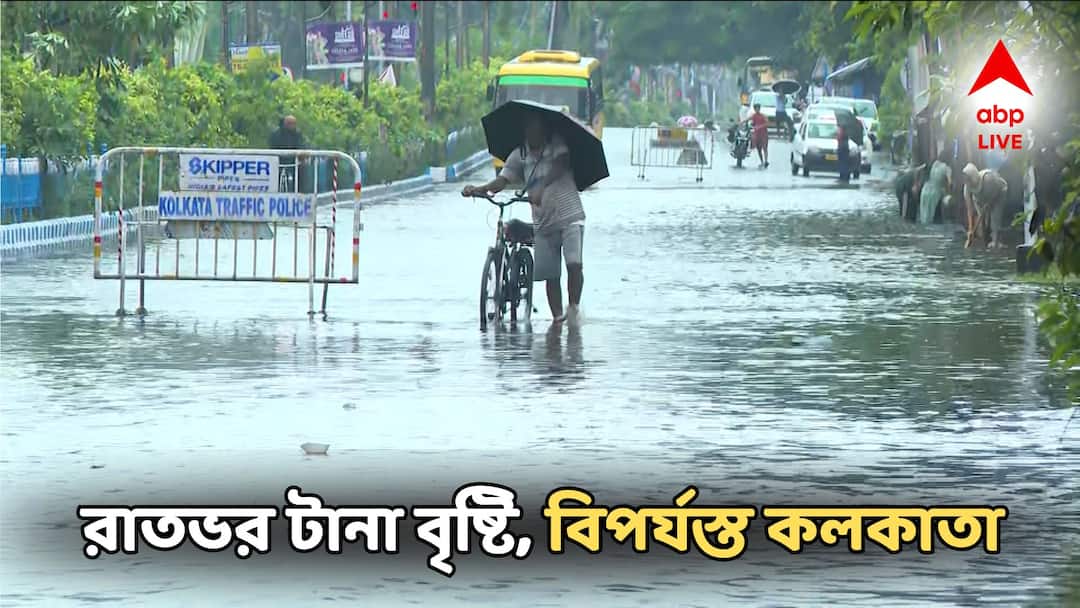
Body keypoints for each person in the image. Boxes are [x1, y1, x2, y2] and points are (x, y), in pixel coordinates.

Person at [461, 112, 586, 327]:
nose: (532, 133)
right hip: (544, 221)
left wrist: (541, 185)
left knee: (574, 264)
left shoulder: (556, 144)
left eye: (536, 128)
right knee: (551, 274)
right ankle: (558, 319)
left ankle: (573, 308)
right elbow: (502, 180)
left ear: (544, 130)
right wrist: (478, 190)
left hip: (569, 216)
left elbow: (561, 164)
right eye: (528, 129)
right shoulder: (519, 154)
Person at [962, 162, 1009, 248]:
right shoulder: (966, 188)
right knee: (982, 220)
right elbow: (970, 209)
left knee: (995, 217)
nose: (968, 182)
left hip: (998, 192)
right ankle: (985, 240)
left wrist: (987, 206)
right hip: (980, 198)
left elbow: (991, 200)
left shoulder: (988, 179)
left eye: (969, 179)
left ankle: (996, 241)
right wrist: (971, 229)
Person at [270, 115, 305, 190]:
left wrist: (301, 155)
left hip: (293, 159)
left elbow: (301, 145)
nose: (292, 126)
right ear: (285, 124)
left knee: (301, 171)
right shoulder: (277, 134)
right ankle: (276, 189)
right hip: (279, 160)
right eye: (290, 123)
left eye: (294, 123)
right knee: (276, 173)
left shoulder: (297, 133)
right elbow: (273, 147)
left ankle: (300, 191)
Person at [740, 103, 769, 168]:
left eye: (758, 108)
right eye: (756, 108)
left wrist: (759, 126)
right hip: (757, 135)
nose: (757, 110)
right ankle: (762, 162)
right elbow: (747, 119)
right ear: (755, 109)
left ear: (759, 108)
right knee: (759, 149)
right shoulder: (754, 116)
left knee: (765, 148)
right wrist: (742, 122)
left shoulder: (763, 116)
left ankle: (766, 161)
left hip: (764, 134)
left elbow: (767, 123)